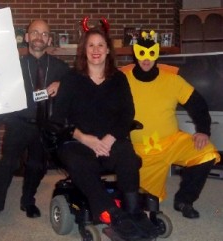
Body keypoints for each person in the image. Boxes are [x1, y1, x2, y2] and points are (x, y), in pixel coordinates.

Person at [51, 26, 158, 240]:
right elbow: (58, 119)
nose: (96, 49)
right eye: (91, 45)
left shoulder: (118, 79)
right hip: (78, 142)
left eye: (101, 45)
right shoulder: (71, 80)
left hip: (110, 140)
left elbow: (127, 114)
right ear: (84, 51)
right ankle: (114, 215)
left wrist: (109, 139)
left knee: (127, 156)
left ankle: (134, 211)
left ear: (108, 50)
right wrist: (83, 138)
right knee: (82, 164)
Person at [121, 31, 221, 219]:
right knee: (146, 202)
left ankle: (185, 199)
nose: (146, 59)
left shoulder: (172, 80)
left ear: (157, 53)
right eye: (142, 53)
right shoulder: (123, 80)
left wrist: (203, 131)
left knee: (206, 153)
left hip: (173, 142)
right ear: (135, 53)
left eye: (151, 53)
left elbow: (197, 104)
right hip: (142, 152)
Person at [0, 19, 70, 220]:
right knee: (7, 164)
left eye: (44, 34)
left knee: (37, 166)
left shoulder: (59, 67)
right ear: (27, 37)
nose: (39, 37)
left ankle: (28, 201)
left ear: (49, 39)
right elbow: (2, 96)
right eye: (35, 32)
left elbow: (77, 82)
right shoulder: (13, 66)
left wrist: (62, 83)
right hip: (18, 122)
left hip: (44, 125)